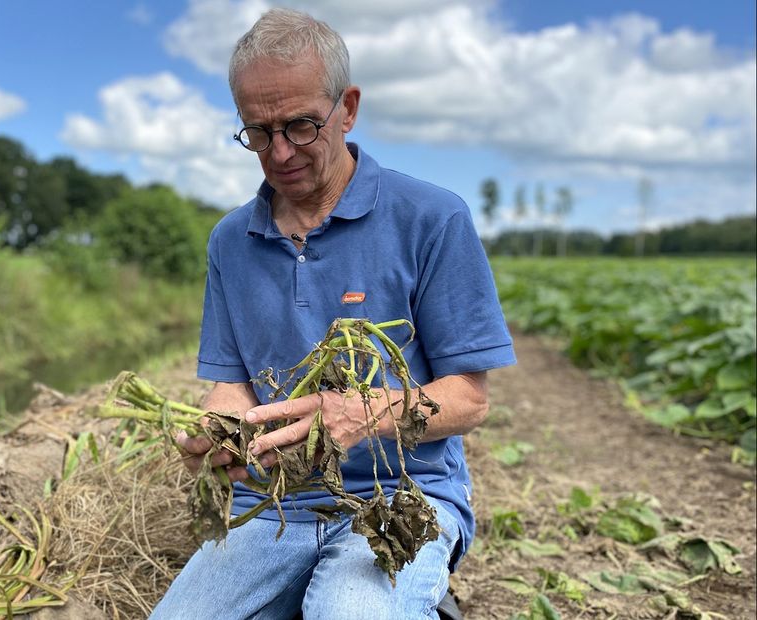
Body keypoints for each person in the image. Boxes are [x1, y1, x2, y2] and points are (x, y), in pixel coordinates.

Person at [150, 8, 516, 619]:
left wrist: (363, 414)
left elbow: (469, 401)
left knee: (349, 611)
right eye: (259, 133)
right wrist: (218, 430)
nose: (280, 152)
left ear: (347, 107)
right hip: (276, 503)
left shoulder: (432, 218)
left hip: (400, 495)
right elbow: (232, 385)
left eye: (300, 125)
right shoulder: (229, 240)